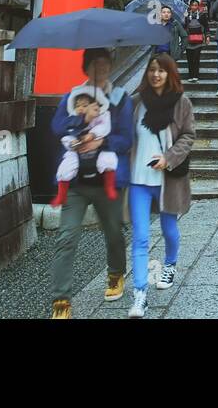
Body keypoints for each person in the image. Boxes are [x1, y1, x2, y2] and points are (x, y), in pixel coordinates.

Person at [50, 48, 133, 318]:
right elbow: (57, 126)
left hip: (107, 177)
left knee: (113, 231)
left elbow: (126, 138)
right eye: (96, 65)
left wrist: (102, 141)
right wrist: (80, 119)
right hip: (76, 181)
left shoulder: (120, 99)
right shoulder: (74, 96)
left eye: (106, 65)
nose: (101, 70)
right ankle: (61, 299)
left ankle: (115, 273)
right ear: (86, 68)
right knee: (67, 236)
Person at [128, 53, 196, 318]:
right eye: (152, 70)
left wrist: (168, 158)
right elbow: (123, 136)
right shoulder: (136, 103)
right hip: (138, 180)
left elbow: (189, 135)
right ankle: (140, 295)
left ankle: (170, 264)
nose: (156, 75)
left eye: (161, 71)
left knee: (169, 229)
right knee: (141, 237)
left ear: (170, 74)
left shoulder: (181, 103)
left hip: (168, 178)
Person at [50, 84, 118, 207]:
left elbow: (105, 127)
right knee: (66, 167)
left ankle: (109, 187)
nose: (81, 108)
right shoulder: (73, 118)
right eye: (78, 106)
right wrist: (71, 143)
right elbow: (65, 134)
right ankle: (61, 195)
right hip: (77, 149)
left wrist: (92, 134)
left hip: (97, 147)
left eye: (85, 105)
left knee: (109, 159)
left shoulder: (103, 116)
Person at [181, 0, 208, 80]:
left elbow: (206, 26)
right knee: (189, 58)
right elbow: (183, 27)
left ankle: (196, 75)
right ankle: (190, 75)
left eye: (196, 5)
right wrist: (184, 18)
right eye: (192, 5)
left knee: (196, 58)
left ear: (198, 6)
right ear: (190, 6)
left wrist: (207, 36)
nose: (194, 7)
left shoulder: (202, 15)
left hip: (199, 40)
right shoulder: (186, 14)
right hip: (189, 40)